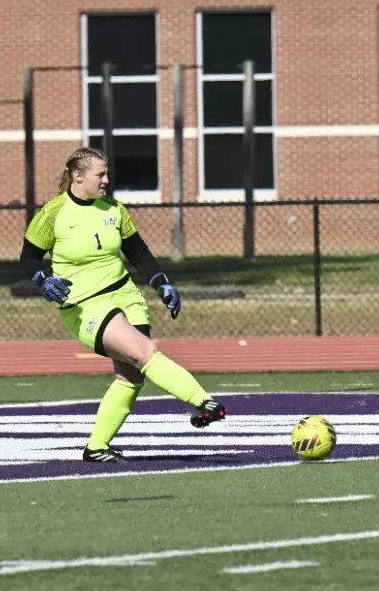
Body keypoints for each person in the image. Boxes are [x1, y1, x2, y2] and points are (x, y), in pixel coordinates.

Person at [19, 147, 227, 463]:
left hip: (126, 296)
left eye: (106, 173)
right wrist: (42, 279)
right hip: (84, 305)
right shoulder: (53, 213)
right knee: (144, 352)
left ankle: (96, 448)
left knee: (131, 377)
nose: (106, 180)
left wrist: (162, 283)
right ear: (78, 176)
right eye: (100, 174)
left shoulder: (114, 209)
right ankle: (204, 402)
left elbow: (139, 254)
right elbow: (28, 257)